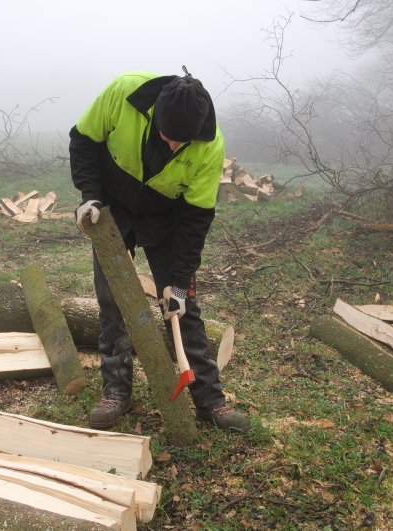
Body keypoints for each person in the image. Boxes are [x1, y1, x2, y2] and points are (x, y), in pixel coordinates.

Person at [69, 67, 248, 433]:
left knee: (185, 308)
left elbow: (196, 218)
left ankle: (209, 400)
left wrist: (179, 283)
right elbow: (83, 141)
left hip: (167, 216)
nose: (173, 147)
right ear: (154, 115)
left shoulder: (210, 145)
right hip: (112, 207)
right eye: (167, 138)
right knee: (113, 299)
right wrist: (90, 196)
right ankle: (116, 391)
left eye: (182, 143)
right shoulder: (123, 94)